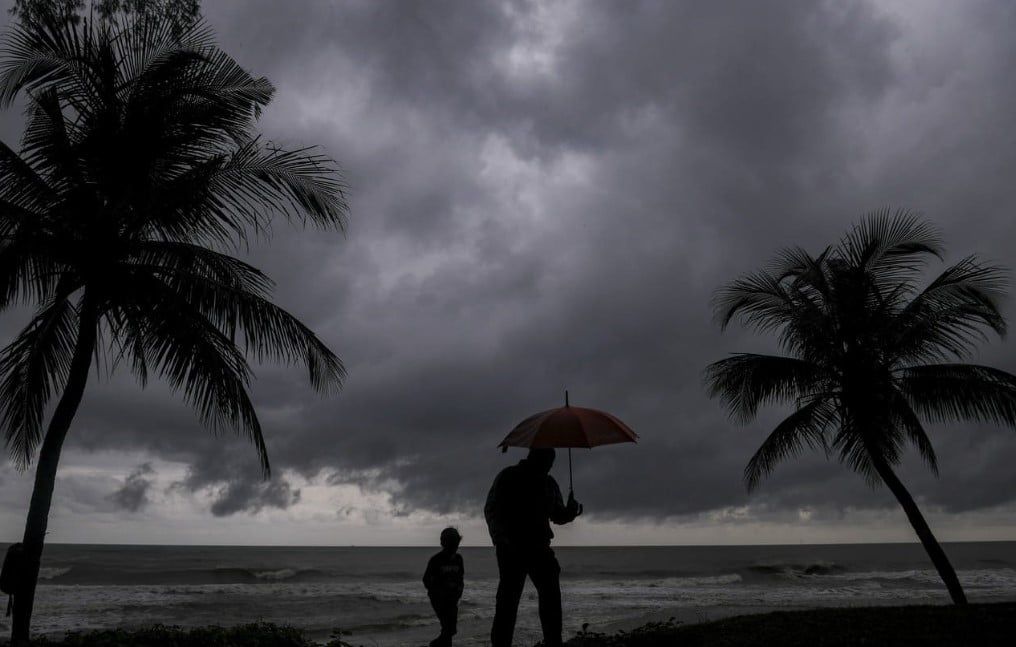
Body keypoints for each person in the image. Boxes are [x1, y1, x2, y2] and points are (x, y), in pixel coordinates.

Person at [484, 447, 582, 647]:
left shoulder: (545, 482)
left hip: (533, 548)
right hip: (515, 548)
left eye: (551, 463)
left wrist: (570, 512)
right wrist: (502, 539)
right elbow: (491, 510)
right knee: (511, 603)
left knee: (542, 599)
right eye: (548, 461)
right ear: (535, 457)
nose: (549, 466)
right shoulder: (511, 477)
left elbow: (557, 515)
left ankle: (552, 641)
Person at [422, 527, 465, 647]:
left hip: (453, 599)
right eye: (451, 544)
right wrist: (437, 592)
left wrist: (459, 591)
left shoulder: (458, 559)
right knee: (448, 627)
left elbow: (461, 578)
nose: (454, 547)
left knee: (450, 629)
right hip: (439, 600)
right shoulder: (436, 560)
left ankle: (437, 644)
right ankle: (436, 644)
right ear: (443, 543)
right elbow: (426, 580)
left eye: (456, 543)